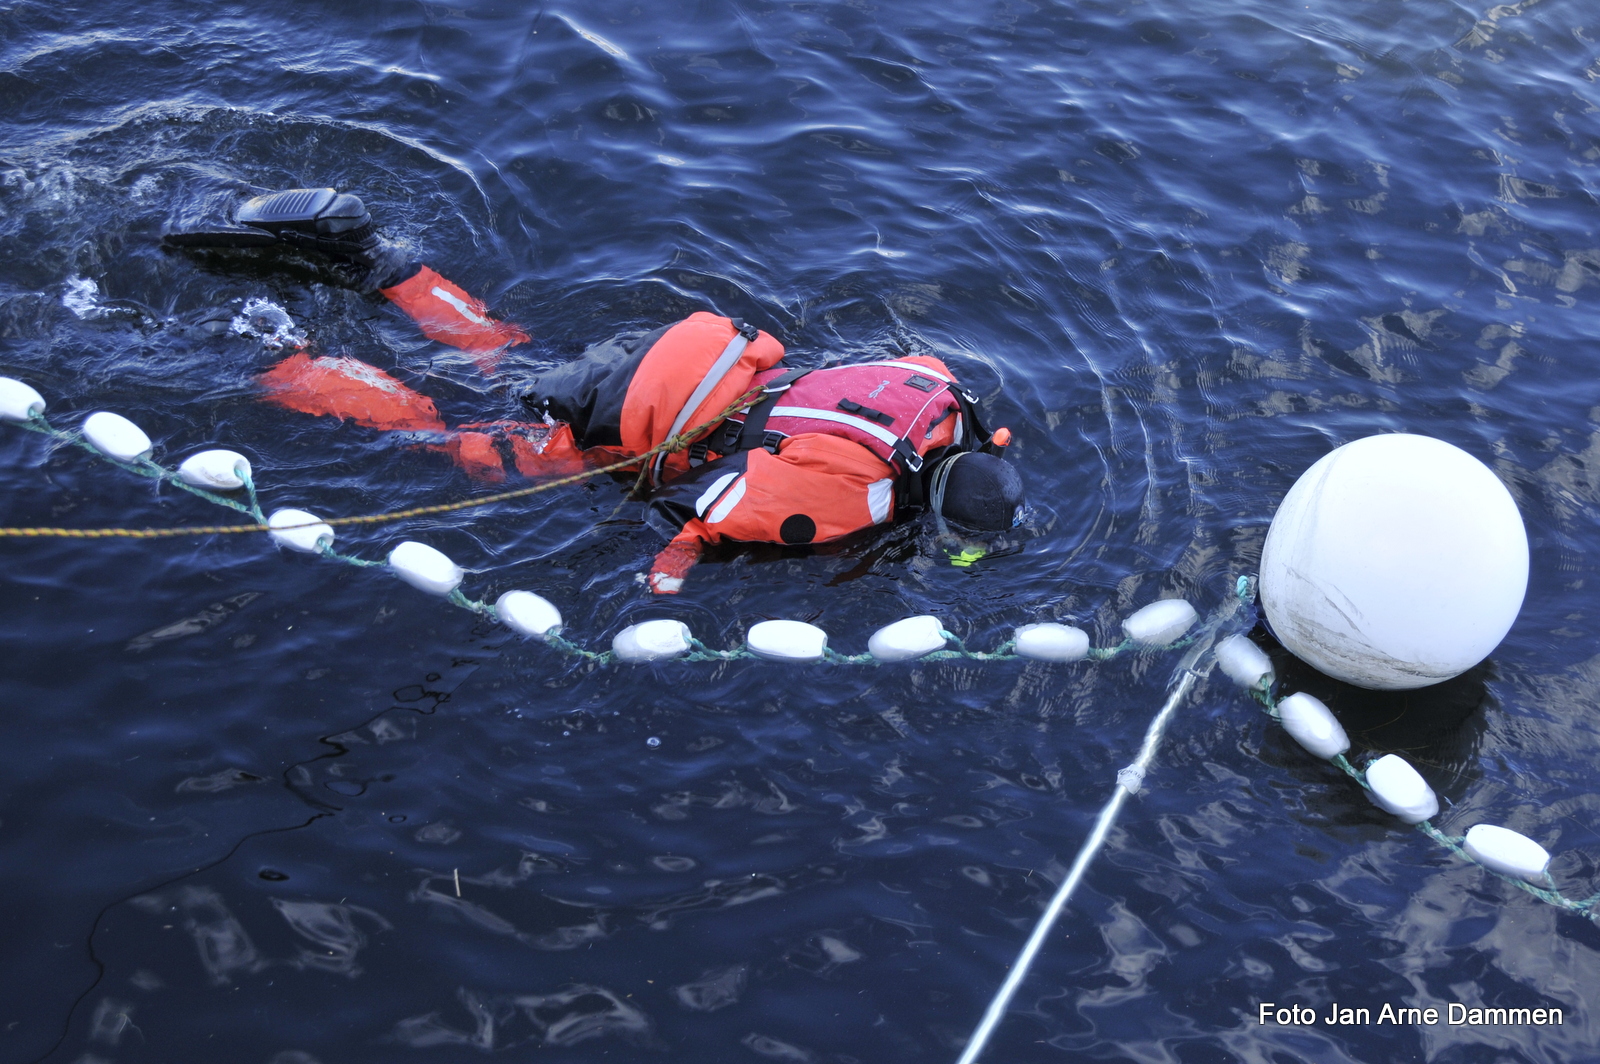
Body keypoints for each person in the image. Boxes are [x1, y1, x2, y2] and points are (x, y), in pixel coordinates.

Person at [164, 187, 1025, 593]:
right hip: (630, 424)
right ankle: (270, 353)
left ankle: (373, 256)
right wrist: (669, 571)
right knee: (442, 439)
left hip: (680, 361)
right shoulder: (853, 503)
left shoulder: (937, 400)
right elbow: (711, 513)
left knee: (502, 354)